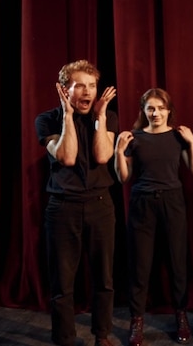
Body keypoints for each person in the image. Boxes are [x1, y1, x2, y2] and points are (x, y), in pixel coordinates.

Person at [34, 60, 118, 346]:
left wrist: (101, 117)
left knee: (104, 278)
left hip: (100, 205)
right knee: (62, 282)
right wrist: (68, 117)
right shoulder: (46, 120)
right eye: (79, 85)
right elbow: (67, 157)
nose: (87, 91)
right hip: (63, 208)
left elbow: (103, 157)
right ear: (64, 89)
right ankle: (65, 338)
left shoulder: (108, 117)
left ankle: (102, 335)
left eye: (92, 86)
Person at [114, 88, 193, 346]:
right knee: (140, 265)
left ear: (168, 110)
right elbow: (123, 177)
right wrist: (119, 152)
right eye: (150, 108)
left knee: (177, 262)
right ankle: (136, 320)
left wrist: (192, 142)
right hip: (142, 204)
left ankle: (181, 315)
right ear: (143, 111)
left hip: (172, 202)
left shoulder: (178, 137)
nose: (155, 113)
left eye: (160, 108)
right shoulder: (135, 138)